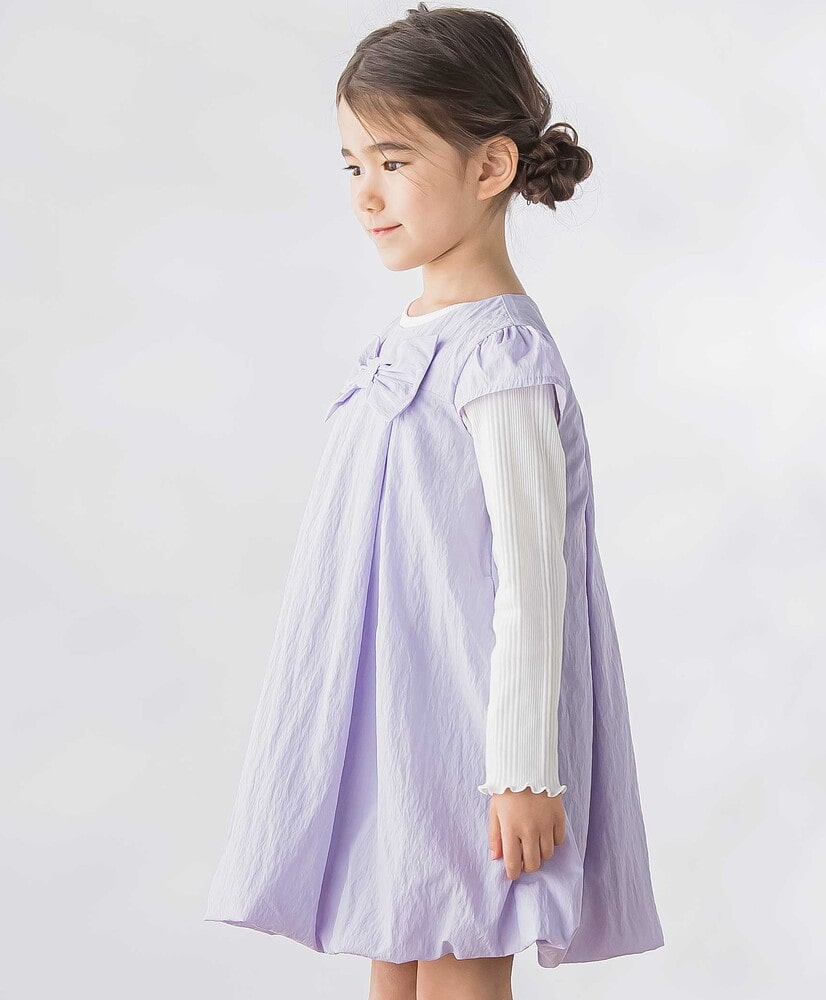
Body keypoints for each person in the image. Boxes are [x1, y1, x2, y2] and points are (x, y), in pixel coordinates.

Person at [204, 4, 664, 997]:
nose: (365, 194)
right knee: (398, 954)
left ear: (490, 166)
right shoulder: (408, 338)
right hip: (396, 729)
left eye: (394, 160)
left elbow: (533, 578)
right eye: (352, 165)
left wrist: (523, 769)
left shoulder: (500, 356)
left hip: (471, 736)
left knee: (459, 954)